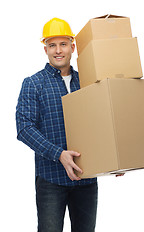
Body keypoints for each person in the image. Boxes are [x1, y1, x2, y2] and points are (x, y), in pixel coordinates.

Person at [16, 17, 98, 232]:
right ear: (46, 49)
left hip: (86, 179)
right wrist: (58, 153)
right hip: (51, 181)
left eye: (63, 44)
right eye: (52, 45)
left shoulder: (88, 82)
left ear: (72, 47)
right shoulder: (33, 83)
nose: (58, 50)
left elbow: (102, 124)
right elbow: (24, 128)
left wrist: (115, 161)